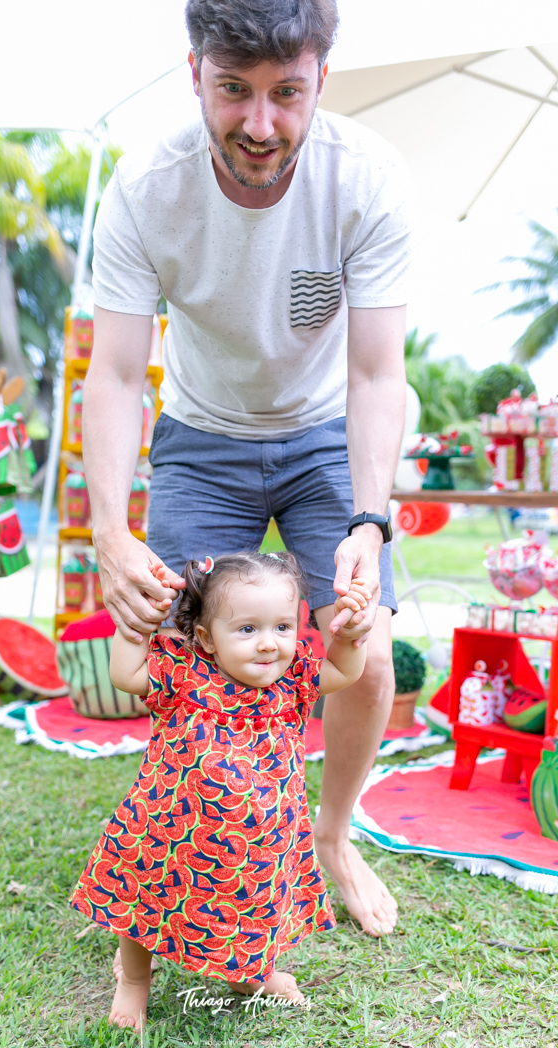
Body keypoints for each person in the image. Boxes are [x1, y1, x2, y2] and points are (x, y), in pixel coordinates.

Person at [83, 0, 410, 939]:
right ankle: (192, 835)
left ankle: (333, 834)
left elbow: (378, 372)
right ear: (195, 74)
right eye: (234, 90)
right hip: (200, 437)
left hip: (321, 437)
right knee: (164, 659)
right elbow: (112, 374)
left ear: (319, 82)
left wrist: (367, 525)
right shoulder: (148, 188)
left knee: (371, 646)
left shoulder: (366, 180)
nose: (259, 124)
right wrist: (111, 534)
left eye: (286, 94)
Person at [70, 552, 372, 1029]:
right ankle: (133, 982)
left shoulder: (292, 683)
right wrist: (134, 627)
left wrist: (351, 637)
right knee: (143, 904)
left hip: (262, 845)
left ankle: (251, 973)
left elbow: (346, 672)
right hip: (169, 836)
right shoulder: (184, 674)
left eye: (282, 627)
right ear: (208, 639)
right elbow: (125, 676)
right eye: (247, 630)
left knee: (256, 910)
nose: (269, 644)